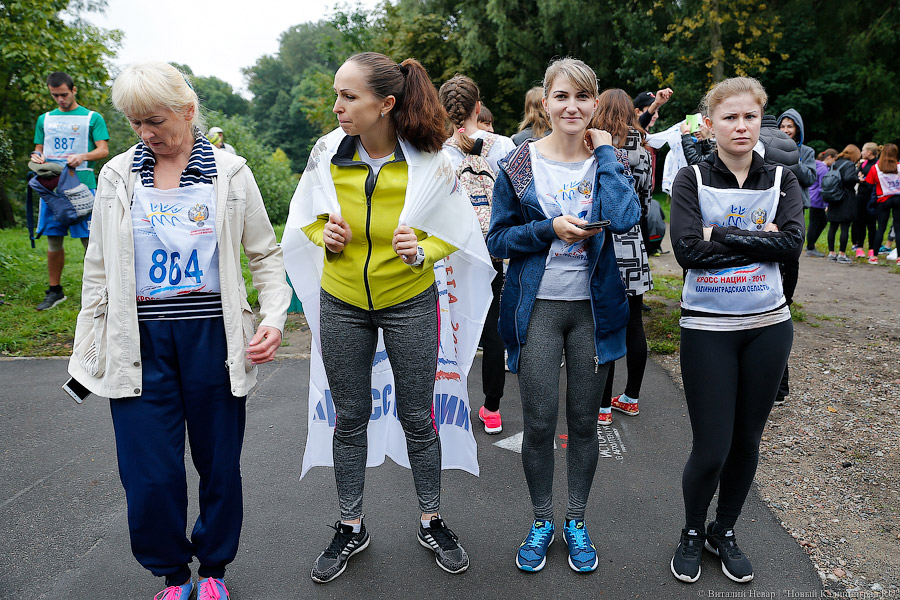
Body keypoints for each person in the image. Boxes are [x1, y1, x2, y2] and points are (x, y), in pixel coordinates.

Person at [67, 61, 291, 600]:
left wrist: (274, 317)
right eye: (135, 124)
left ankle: (213, 571)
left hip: (211, 339)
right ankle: (172, 576)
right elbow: (97, 269)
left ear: (188, 112)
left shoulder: (231, 173)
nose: (146, 134)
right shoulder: (117, 176)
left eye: (155, 121)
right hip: (139, 340)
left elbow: (264, 255)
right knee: (148, 476)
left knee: (218, 467)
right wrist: (88, 347)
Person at [287, 52, 491, 583]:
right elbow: (305, 216)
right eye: (337, 95)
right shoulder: (327, 153)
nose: (337, 107)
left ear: (386, 104)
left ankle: (432, 519)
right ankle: (350, 525)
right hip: (343, 301)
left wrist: (421, 248)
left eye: (348, 96)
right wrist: (321, 235)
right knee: (349, 416)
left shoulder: (430, 159)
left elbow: (458, 230)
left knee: (417, 417)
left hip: (409, 301)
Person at [487, 57, 640, 574]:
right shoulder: (518, 164)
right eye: (561, 96)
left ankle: (575, 518)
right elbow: (499, 239)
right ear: (545, 103)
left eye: (581, 97)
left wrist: (607, 156)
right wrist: (549, 228)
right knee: (537, 425)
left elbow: (624, 217)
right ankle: (541, 520)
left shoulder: (604, 160)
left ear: (594, 105)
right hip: (538, 311)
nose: (571, 106)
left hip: (592, 312)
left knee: (583, 423)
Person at [669, 76, 803, 584]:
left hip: (769, 327)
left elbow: (790, 245)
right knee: (711, 446)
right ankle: (689, 531)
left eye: (750, 116)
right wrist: (755, 239)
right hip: (708, 327)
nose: (741, 126)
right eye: (729, 117)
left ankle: (722, 531)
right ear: (710, 125)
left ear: (760, 121)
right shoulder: (691, 180)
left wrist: (718, 233)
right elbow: (687, 253)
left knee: (747, 441)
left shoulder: (782, 179)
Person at [439, 74, 515, 434]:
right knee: (495, 327)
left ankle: (449, 402)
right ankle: (492, 408)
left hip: (453, 254)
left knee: (452, 328)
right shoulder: (505, 147)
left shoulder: (437, 153)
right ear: (478, 107)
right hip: (496, 251)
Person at [592, 89, 653, 425]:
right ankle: (630, 396)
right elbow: (645, 199)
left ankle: (601, 406)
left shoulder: (597, 149)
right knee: (633, 322)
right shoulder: (642, 151)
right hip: (633, 241)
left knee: (605, 322)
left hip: (603, 241)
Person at [31, 71, 109, 310]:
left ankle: (100, 292)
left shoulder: (92, 118)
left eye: (64, 94)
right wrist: (37, 157)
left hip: (82, 186)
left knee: (91, 241)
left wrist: (83, 156)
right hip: (52, 188)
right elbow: (38, 150)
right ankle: (55, 291)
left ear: (73, 91)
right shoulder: (45, 119)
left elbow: (103, 150)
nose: (60, 100)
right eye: (55, 95)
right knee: (54, 239)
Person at [863, 143, 900, 265]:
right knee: (898, 228)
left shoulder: (876, 168)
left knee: (881, 228)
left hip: (883, 200)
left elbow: (869, 184)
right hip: (898, 198)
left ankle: (874, 256)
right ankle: (899, 258)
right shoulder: (899, 167)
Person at [825, 144, 860, 263]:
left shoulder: (836, 163)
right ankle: (842, 253)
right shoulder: (850, 165)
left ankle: (831, 253)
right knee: (844, 226)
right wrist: (858, 179)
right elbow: (849, 178)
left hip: (834, 197)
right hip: (845, 199)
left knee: (833, 226)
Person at [805, 149, 836, 256]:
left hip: (812, 197)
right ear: (829, 157)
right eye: (834, 159)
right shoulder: (823, 169)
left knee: (820, 222)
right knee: (815, 224)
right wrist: (826, 204)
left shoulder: (816, 165)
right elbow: (824, 187)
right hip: (818, 200)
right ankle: (810, 247)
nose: (834, 163)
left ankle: (810, 245)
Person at [853, 142, 880, 260]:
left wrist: (865, 180)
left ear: (869, 152)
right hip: (861, 197)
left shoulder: (878, 164)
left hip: (873, 198)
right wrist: (858, 178)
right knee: (860, 222)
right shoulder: (863, 164)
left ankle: (872, 249)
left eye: (863, 150)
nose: (861, 152)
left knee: (871, 224)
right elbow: (856, 176)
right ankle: (859, 247)